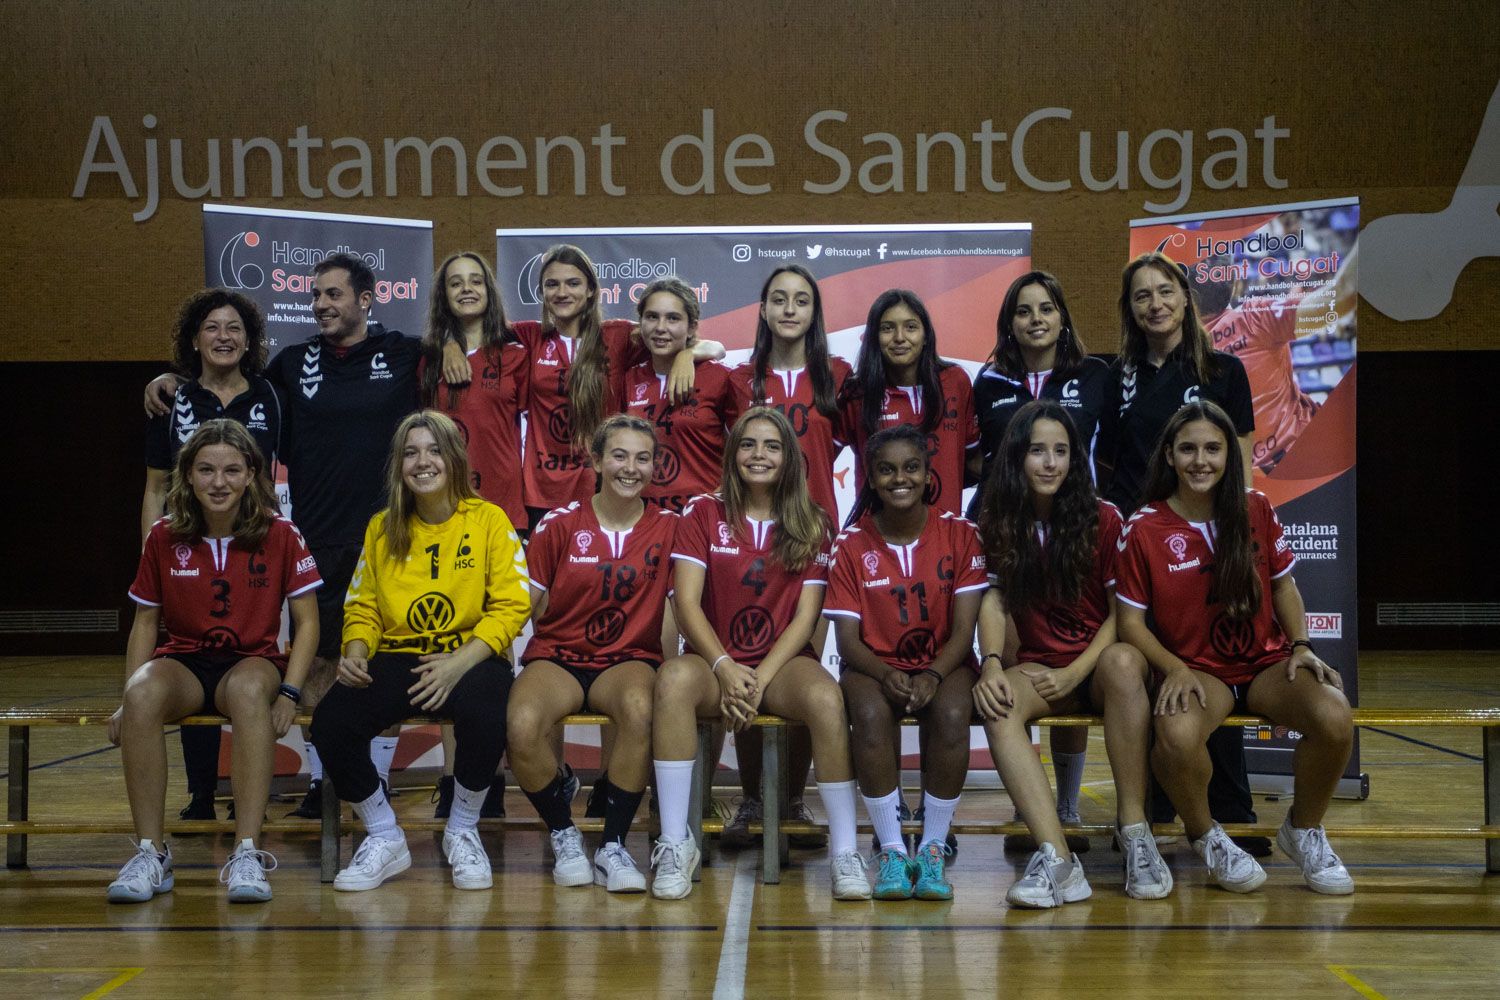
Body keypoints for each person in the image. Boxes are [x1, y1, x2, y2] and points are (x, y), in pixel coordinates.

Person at [146, 252, 471, 817]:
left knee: (380, 661)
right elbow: (230, 384)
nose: (320, 304)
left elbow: (460, 354)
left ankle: (376, 781)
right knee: (318, 662)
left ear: (365, 300)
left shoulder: (404, 353)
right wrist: (169, 379)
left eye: (332, 294)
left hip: (391, 538)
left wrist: (448, 344)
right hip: (316, 536)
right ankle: (324, 785)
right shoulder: (292, 364)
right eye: (316, 295)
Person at [1116, 401, 1354, 895]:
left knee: (1334, 716)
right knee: (1176, 736)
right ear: (1169, 455)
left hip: (1265, 663)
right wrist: (1174, 668)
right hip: (1199, 669)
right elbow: (1130, 624)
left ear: (1229, 454)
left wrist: (1301, 645)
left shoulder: (1255, 508)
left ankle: (1303, 829)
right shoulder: (1144, 527)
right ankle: (1207, 836)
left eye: (1212, 448)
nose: (1200, 460)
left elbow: (1284, 586)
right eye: (1188, 449)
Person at [651, 408, 869, 900]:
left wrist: (760, 678)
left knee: (826, 699)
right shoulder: (703, 512)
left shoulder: (812, 521)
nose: (759, 455)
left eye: (772, 446)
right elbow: (686, 603)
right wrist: (725, 667)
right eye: (748, 444)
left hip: (782, 663)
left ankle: (845, 852)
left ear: (789, 457)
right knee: (672, 681)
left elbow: (806, 619)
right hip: (715, 661)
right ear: (733, 453)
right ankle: (675, 843)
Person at [310, 411, 529, 891]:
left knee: (488, 710)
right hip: (400, 655)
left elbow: (512, 604)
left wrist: (456, 664)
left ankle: (462, 829)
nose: (422, 462)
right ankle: (384, 834)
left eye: (433, 451)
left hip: (468, 654)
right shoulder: (383, 527)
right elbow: (363, 605)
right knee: (331, 724)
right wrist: (356, 651)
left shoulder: (488, 520)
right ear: (399, 465)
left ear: (454, 459)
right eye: (411, 453)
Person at [109, 420, 320, 903]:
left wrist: (289, 692)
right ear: (188, 474)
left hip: (251, 661)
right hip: (185, 662)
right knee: (142, 693)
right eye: (206, 470)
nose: (218, 482)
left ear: (251, 474)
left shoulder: (280, 532)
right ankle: (151, 853)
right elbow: (145, 623)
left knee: (247, 691)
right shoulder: (163, 535)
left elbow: (307, 622)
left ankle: (246, 851)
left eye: (231, 470)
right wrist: (126, 699)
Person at [972, 401, 1171, 908]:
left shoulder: (1104, 518)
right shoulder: (998, 519)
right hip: (1040, 665)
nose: (1050, 463)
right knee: (998, 703)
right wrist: (991, 662)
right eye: (1037, 450)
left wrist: (1076, 671)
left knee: (1124, 663)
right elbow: (995, 599)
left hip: (1098, 665)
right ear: (1017, 457)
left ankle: (1135, 832)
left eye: (1061, 451)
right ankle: (1058, 859)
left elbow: (1122, 615)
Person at [1097, 252, 1264, 851]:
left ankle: (1233, 814)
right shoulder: (1117, 377)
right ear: (1130, 309)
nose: (1155, 304)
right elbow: (1108, 463)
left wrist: (1234, 536)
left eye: (1165, 291)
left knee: (1213, 668)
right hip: (1140, 543)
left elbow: (1239, 463)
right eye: (1141, 295)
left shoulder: (1224, 370)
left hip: (1207, 540)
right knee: (1152, 674)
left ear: (1186, 298)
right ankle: (1156, 815)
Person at [967, 271, 1110, 851]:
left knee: (1068, 651)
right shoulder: (988, 382)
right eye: (1023, 311)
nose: (1035, 319)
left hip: (1075, 527)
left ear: (1062, 316)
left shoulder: (1094, 375)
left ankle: (1067, 809)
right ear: (1009, 322)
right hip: (1009, 528)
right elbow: (976, 460)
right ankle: (1032, 808)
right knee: (1019, 660)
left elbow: (1113, 450)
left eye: (1046, 308)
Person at [507, 415, 677, 893]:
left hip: (627, 659)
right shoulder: (560, 524)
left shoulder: (670, 528)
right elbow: (521, 606)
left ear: (655, 467)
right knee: (520, 724)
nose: (631, 468)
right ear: (597, 461)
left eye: (643, 458)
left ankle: (613, 846)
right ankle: (564, 834)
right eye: (619, 456)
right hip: (559, 656)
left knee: (640, 709)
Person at [824, 425, 987, 901]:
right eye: (887, 470)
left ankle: (933, 846)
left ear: (928, 473)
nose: (900, 479)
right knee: (869, 712)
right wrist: (885, 672)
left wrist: (933, 673)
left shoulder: (960, 534)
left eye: (911, 467)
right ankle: (893, 849)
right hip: (873, 665)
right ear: (871, 479)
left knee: (953, 711)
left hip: (946, 662)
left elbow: (964, 631)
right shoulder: (850, 544)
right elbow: (848, 642)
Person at [721, 264, 849, 847]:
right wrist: (693, 350)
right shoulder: (738, 380)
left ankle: (793, 800)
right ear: (764, 309)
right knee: (747, 657)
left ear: (814, 312)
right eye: (779, 299)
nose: (790, 309)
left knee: (800, 666)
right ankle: (753, 798)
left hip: (811, 540)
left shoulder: (838, 378)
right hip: (750, 539)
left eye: (801, 300)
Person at [143, 288, 282, 823]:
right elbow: (155, 487)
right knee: (191, 653)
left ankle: (252, 805)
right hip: (186, 552)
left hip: (251, 550)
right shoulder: (169, 399)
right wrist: (154, 558)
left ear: (249, 340)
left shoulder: (272, 396)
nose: (223, 337)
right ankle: (202, 794)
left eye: (234, 328)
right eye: (212, 328)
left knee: (246, 667)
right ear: (195, 339)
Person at [418, 251, 529, 822]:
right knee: (447, 634)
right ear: (443, 295)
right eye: (455, 283)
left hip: (502, 511)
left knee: (497, 642)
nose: (466, 289)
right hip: (443, 515)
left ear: (490, 289)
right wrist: (444, 345)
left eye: (475, 281)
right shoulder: (427, 358)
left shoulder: (518, 352)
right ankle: (451, 776)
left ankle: (489, 775)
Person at [512, 245, 720, 530]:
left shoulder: (617, 335)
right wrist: (452, 345)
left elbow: (700, 342)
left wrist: (688, 354)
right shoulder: (531, 335)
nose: (562, 292)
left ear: (590, 290)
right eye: (552, 284)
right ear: (542, 291)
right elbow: (478, 330)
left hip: (602, 485)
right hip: (543, 490)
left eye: (573, 283)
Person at [839, 289, 977, 518]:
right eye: (887, 328)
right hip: (875, 532)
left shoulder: (955, 382)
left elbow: (973, 461)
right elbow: (820, 454)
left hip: (945, 530)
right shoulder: (858, 392)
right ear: (873, 337)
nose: (899, 337)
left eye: (911, 327)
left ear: (926, 336)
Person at [623, 277, 736, 515]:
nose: (660, 327)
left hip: (705, 518)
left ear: (692, 327)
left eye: (673, 318)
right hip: (645, 520)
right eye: (652, 317)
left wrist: (712, 505)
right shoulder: (629, 379)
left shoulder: (720, 377)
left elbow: (744, 450)